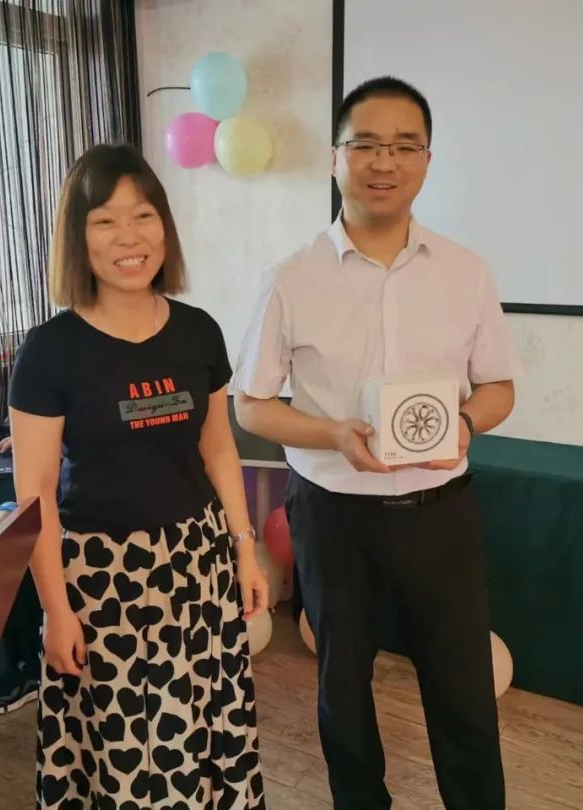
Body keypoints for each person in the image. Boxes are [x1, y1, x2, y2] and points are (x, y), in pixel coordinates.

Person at [234, 76, 522, 810]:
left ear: (427, 160)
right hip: (334, 513)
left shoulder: (466, 272)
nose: (383, 161)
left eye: (403, 146)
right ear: (335, 157)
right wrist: (331, 433)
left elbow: (498, 387)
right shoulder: (290, 278)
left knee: (463, 688)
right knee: (342, 686)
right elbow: (252, 406)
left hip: (440, 511)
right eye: (364, 144)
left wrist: (463, 425)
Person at [8, 143, 269, 809]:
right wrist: (55, 611)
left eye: (144, 216)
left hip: (198, 565)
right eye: (105, 221)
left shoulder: (199, 332)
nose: (129, 237)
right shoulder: (49, 351)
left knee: (204, 730)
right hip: (102, 581)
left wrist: (244, 548)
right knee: (126, 753)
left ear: (165, 228)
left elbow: (218, 450)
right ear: (79, 238)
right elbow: (34, 495)